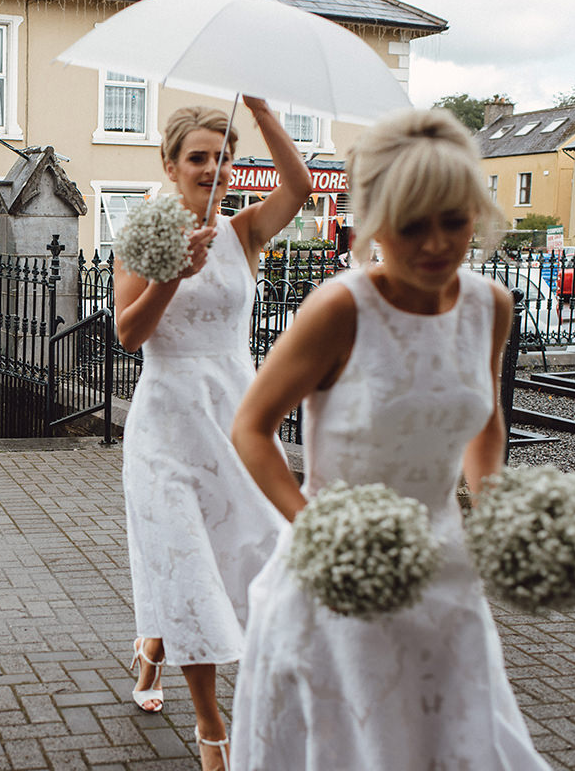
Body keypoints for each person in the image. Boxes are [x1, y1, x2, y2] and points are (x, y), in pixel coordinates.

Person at [228, 108, 550, 770]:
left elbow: (484, 421)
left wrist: (496, 511)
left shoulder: (490, 304)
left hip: (445, 579)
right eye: (413, 226)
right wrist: (316, 529)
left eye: (454, 221)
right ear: (375, 221)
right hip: (341, 580)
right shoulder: (340, 309)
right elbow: (251, 428)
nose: (436, 244)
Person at [114, 98, 310, 770]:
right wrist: (174, 273)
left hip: (235, 418)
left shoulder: (246, 231)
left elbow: (302, 188)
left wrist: (259, 110)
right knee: (186, 565)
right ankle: (211, 726)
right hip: (166, 424)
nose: (214, 167)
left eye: (224, 156)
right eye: (198, 157)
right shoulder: (144, 233)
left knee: (250, 559)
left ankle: (152, 648)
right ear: (171, 166)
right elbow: (128, 334)